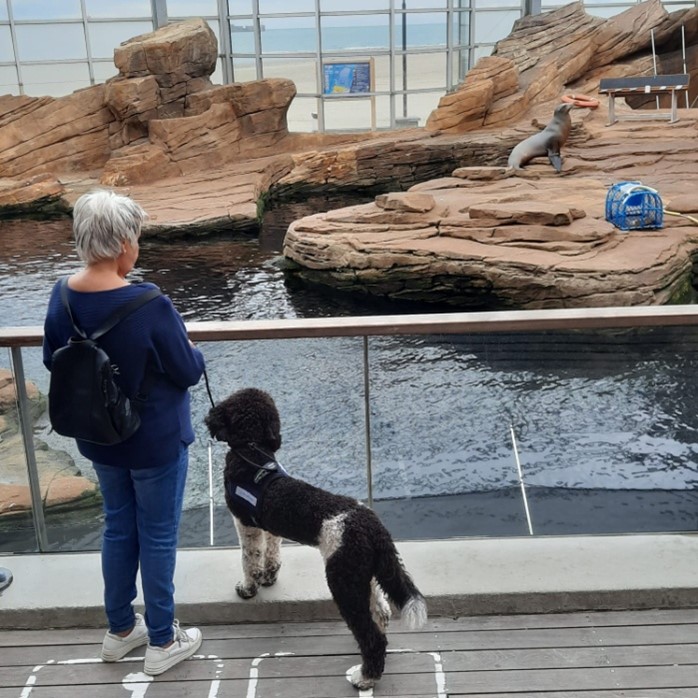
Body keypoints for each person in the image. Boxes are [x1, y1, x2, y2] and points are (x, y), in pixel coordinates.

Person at [43, 189, 205, 676]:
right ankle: (161, 641)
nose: (137, 247)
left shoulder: (62, 295)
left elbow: (56, 360)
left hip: (97, 437)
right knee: (156, 536)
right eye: (135, 237)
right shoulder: (150, 303)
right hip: (153, 440)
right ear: (121, 244)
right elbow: (187, 370)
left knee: (117, 526)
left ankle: (119, 631)